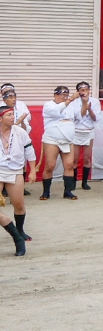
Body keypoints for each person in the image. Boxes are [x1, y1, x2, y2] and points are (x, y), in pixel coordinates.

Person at [0, 104, 34, 248]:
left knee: (18, 204)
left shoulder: (20, 132)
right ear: (0, 119)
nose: (13, 117)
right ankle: (15, 235)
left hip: (15, 170)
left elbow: (29, 151)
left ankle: (19, 230)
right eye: (9, 115)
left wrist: (33, 170)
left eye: (13, 114)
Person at [39, 86, 80, 200]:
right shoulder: (49, 105)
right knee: (50, 166)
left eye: (66, 95)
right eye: (62, 95)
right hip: (52, 139)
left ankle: (68, 191)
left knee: (69, 165)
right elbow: (56, 112)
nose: (65, 98)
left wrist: (85, 102)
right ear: (55, 95)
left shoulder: (71, 106)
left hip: (68, 139)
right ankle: (46, 191)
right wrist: (70, 100)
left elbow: (80, 116)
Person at [69, 82, 99, 191]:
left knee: (86, 158)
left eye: (86, 89)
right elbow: (78, 116)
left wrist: (89, 109)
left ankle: (85, 182)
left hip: (88, 131)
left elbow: (96, 118)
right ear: (78, 91)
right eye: (82, 90)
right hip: (76, 131)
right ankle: (73, 181)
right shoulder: (74, 103)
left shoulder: (95, 102)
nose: (84, 92)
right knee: (75, 159)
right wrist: (84, 105)